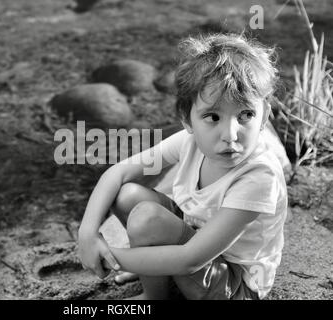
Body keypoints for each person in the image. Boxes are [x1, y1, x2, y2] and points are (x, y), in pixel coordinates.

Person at [77, 33, 288, 300]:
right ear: (187, 120)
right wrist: (88, 233)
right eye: (212, 117)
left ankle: (155, 297)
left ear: (264, 116)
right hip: (197, 242)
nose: (230, 134)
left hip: (233, 284)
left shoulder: (259, 176)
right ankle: (155, 270)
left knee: (148, 219)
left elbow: (190, 259)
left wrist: (109, 256)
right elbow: (119, 172)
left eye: (246, 115)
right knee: (128, 194)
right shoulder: (191, 141)